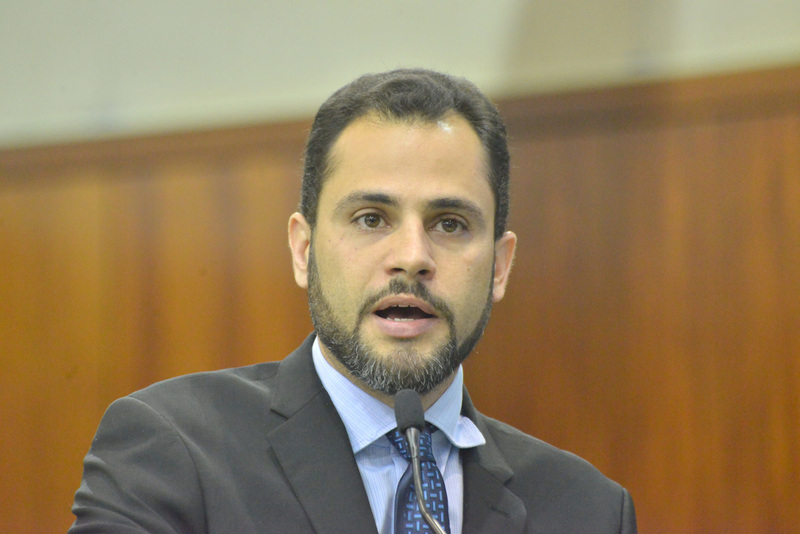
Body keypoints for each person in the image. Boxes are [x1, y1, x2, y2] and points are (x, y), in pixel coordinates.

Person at [69, 68, 637, 533]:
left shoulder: (588, 510)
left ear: (500, 266)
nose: (412, 257)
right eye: (371, 219)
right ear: (303, 250)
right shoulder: (173, 450)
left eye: (450, 223)